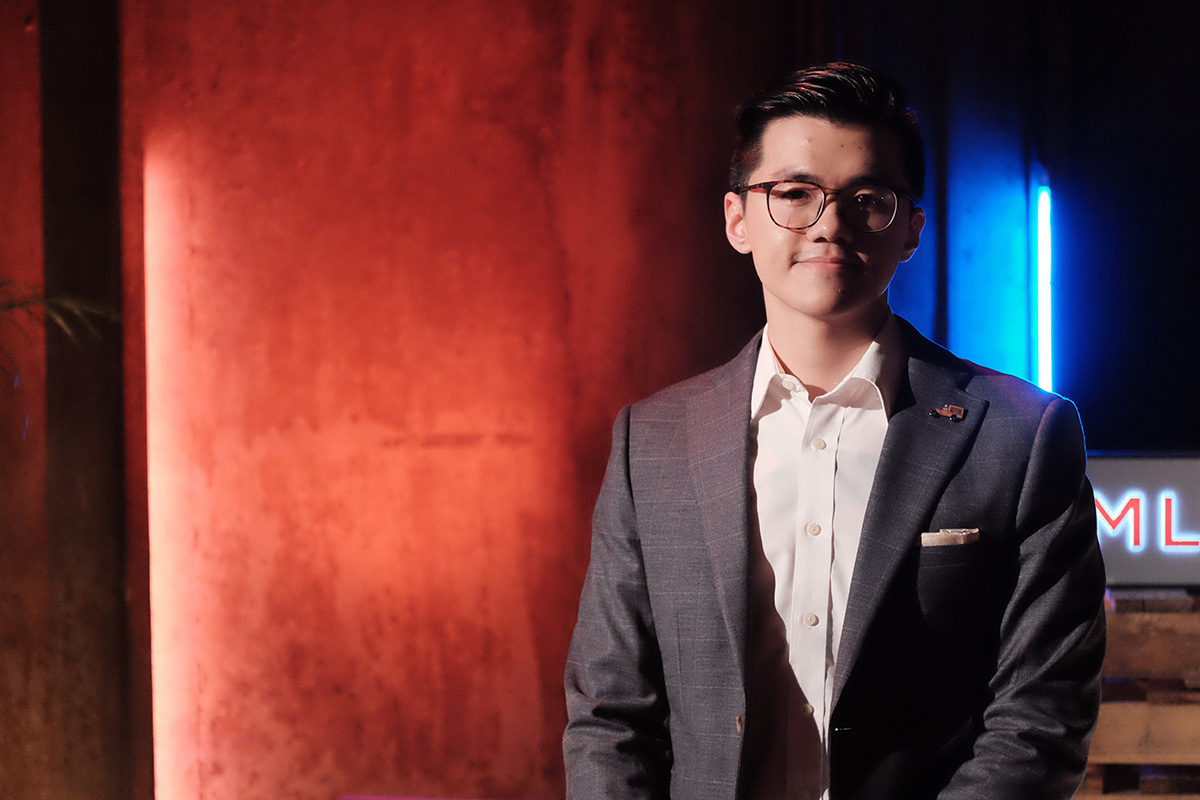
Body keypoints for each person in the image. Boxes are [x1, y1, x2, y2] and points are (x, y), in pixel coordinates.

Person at [562, 63, 1106, 800]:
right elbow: (609, 717)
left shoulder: (1021, 434)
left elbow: (1041, 719)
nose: (829, 223)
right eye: (794, 193)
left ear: (911, 229)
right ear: (737, 219)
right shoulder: (653, 442)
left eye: (867, 200)